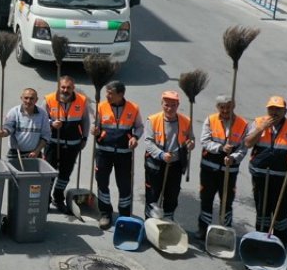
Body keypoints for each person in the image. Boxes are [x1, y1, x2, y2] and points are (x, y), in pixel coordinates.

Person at [244, 96, 287, 247]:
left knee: (281, 214)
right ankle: (260, 243)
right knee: (262, 212)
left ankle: (279, 245)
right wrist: (261, 128)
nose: (274, 112)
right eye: (271, 108)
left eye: (278, 109)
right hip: (261, 176)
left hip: (283, 179)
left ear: (284, 111)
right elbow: (247, 143)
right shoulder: (258, 122)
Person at [91, 80, 144, 230]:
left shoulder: (133, 108)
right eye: (106, 92)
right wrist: (95, 130)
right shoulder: (101, 106)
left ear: (120, 94)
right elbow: (96, 125)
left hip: (124, 154)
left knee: (124, 185)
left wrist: (135, 137)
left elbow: (139, 127)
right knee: (102, 183)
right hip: (103, 152)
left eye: (110, 93)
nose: (107, 95)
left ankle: (125, 216)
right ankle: (105, 214)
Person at [197, 95, 248, 237]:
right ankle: (203, 230)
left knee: (226, 201)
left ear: (233, 106)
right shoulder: (210, 120)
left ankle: (224, 232)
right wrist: (220, 148)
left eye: (228, 107)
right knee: (206, 199)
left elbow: (243, 149)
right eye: (222, 107)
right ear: (217, 107)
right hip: (209, 169)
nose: (225, 110)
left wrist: (233, 157)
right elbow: (204, 141)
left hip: (229, 170)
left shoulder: (242, 124)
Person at [142, 91, 193, 221]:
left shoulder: (186, 121)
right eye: (166, 105)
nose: (169, 108)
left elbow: (190, 139)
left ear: (178, 105)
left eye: (173, 105)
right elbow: (148, 141)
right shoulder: (152, 120)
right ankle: (149, 221)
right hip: (155, 164)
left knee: (172, 195)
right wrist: (161, 154)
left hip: (175, 165)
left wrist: (191, 143)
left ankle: (168, 220)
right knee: (152, 194)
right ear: (162, 104)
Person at [42, 76, 89, 213]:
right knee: (49, 173)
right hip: (52, 143)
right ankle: (46, 199)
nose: (65, 90)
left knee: (65, 174)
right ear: (58, 87)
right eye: (63, 87)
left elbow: (85, 121)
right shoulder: (49, 99)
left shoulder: (82, 100)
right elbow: (41, 119)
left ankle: (58, 197)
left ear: (73, 88)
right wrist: (51, 123)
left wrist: (85, 138)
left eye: (68, 87)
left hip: (73, 144)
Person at [0, 88, 52, 160]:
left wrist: (37, 151)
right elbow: (8, 128)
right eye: (26, 98)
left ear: (36, 100)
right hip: (15, 154)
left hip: (34, 154)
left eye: (31, 98)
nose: (28, 101)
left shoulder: (43, 114)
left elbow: (46, 135)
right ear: (21, 98)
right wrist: (3, 133)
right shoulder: (14, 112)